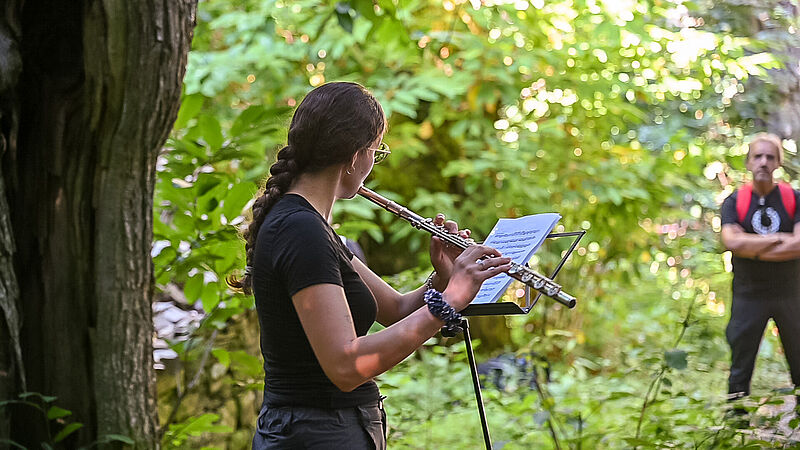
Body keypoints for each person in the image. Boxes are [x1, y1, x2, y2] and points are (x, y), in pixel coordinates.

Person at [228, 81, 512, 449]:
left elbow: (395, 309)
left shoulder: (313, 228)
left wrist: (442, 275)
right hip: (313, 436)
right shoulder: (299, 230)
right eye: (376, 153)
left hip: (327, 431)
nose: (372, 166)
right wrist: (452, 299)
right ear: (354, 156)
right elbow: (346, 368)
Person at [720, 132, 800, 408]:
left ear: (778, 163)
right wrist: (779, 239)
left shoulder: (794, 198)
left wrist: (750, 246)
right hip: (748, 295)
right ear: (748, 162)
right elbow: (730, 241)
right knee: (739, 370)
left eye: (770, 157)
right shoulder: (734, 202)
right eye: (758, 156)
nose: (763, 162)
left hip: (791, 295)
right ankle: (734, 429)